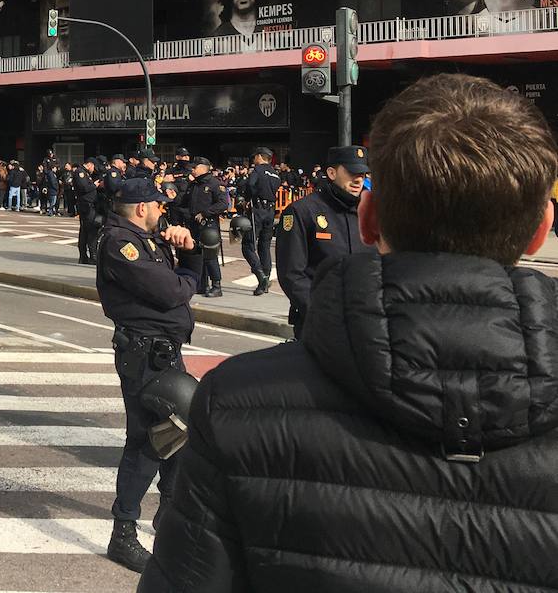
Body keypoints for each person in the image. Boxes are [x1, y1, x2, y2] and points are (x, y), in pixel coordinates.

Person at [139, 74, 558, 592]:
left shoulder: (238, 403)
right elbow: (294, 273)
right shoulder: (304, 217)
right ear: (542, 230)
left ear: (369, 218)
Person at [95, 176, 198, 574]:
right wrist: (187, 277)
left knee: (180, 432)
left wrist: (189, 254)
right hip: (143, 355)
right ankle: (123, 533)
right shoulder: (121, 244)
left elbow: (183, 285)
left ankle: (168, 516)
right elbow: (171, 293)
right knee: (148, 442)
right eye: (158, 205)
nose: (162, 212)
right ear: (142, 208)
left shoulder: (145, 241)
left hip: (163, 352)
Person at [275, 144, 372, 338]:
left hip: (365, 321)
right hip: (320, 323)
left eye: (363, 174)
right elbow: (292, 274)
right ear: (332, 173)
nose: (358, 179)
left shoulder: (371, 211)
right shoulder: (302, 212)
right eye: (352, 173)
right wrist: (323, 312)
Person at [181, 157, 229, 297]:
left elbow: (223, 204)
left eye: (195, 167)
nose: (192, 170)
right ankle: (202, 285)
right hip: (194, 225)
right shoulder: (194, 184)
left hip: (209, 225)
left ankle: (216, 285)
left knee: (210, 255)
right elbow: (184, 202)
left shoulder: (214, 184)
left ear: (203, 168)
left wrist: (206, 213)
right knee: (197, 255)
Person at [238, 147, 281, 295]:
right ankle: (265, 282)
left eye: (255, 157)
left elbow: (250, 184)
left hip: (257, 209)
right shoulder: (276, 174)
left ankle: (261, 277)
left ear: (259, 157)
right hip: (270, 211)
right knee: (265, 246)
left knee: (248, 245)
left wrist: (249, 198)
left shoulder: (257, 170)